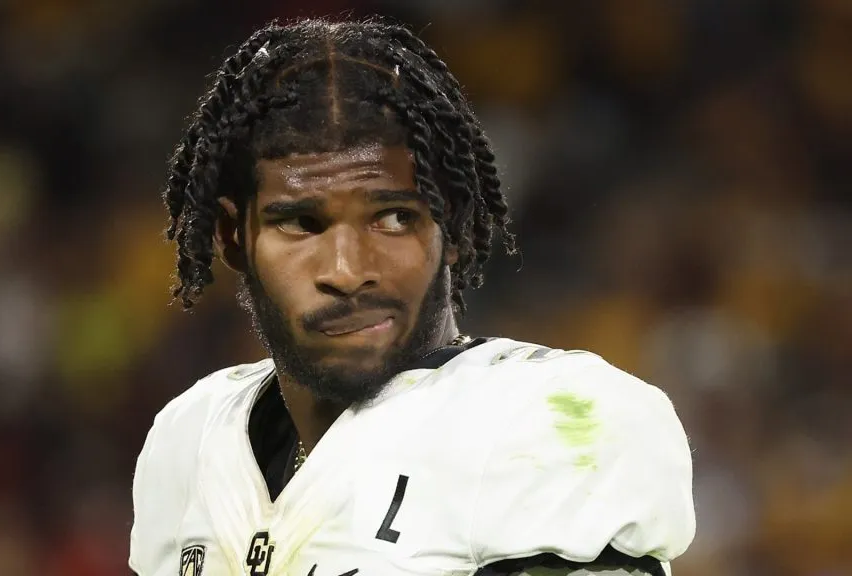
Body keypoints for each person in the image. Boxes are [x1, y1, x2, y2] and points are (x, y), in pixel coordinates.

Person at [129, 17, 695, 576]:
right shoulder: (188, 440)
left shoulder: (544, 422)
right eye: (302, 224)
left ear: (451, 222)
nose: (348, 271)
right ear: (233, 238)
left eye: (394, 217)